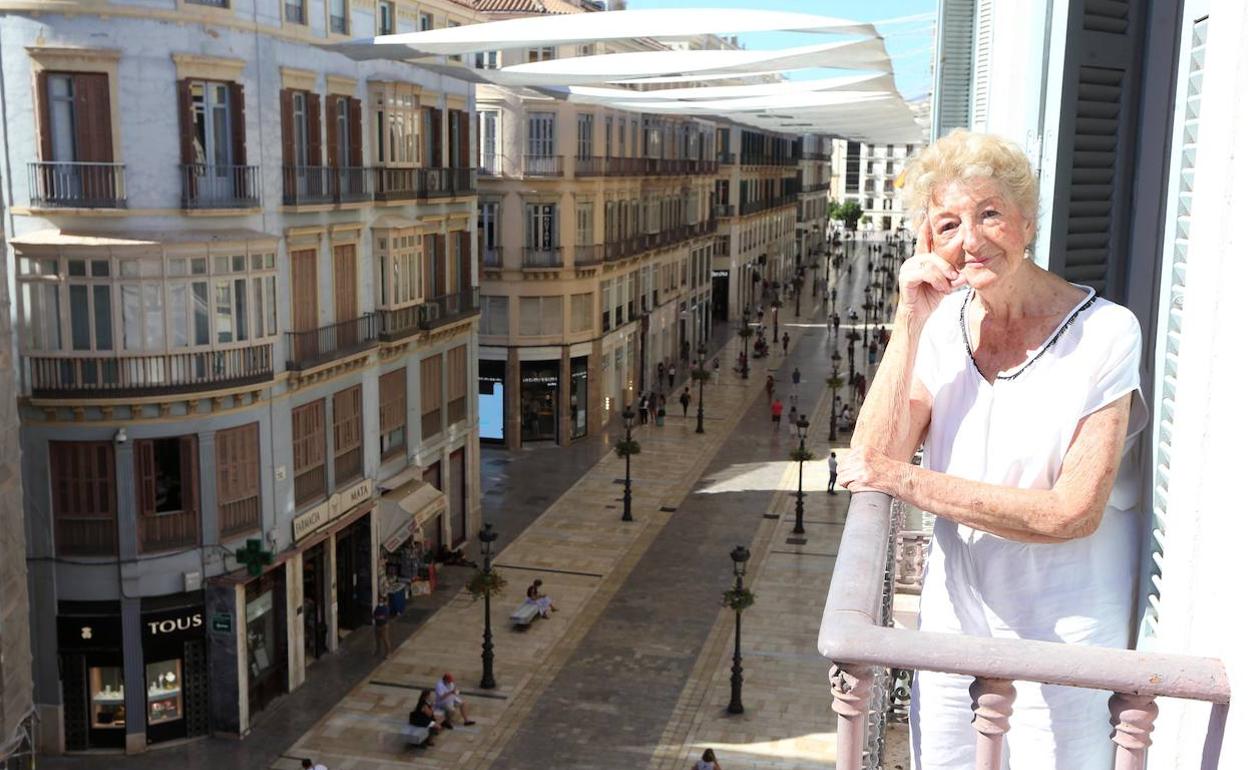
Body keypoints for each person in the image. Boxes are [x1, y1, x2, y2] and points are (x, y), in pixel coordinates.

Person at [839, 130, 1146, 769]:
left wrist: (911, 482)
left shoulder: (1106, 334)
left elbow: (1071, 513)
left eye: (990, 214)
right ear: (929, 239)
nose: (970, 240)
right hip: (955, 618)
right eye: (948, 223)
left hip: (1064, 626)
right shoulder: (945, 329)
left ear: (1027, 221)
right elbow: (870, 456)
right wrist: (910, 317)